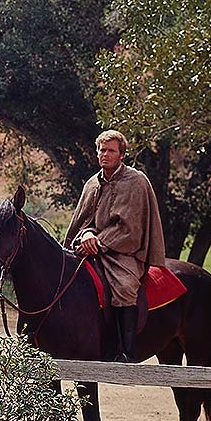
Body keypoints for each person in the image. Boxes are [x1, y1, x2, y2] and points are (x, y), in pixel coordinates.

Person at [64, 129, 165, 362]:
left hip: (123, 252)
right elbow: (82, 221)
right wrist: (86, 235)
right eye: (102, 150)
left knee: (125, 286)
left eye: (111, 150)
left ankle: (126, 351)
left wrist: (99, 242)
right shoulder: (92, 183)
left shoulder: (136, 181)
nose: (105, 154)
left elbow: (130, 228)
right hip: (89, 247)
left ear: (122, 155)